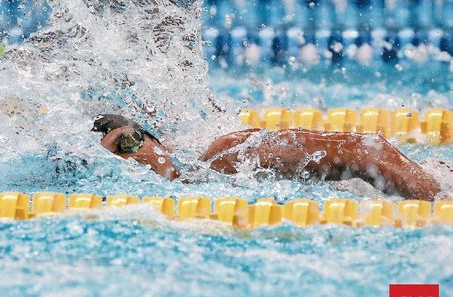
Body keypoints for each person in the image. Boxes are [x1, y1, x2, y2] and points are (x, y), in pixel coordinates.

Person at [92, 114, 443, 201]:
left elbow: (365, 150)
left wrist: (441, 201)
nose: (132, 159)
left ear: (157, 140)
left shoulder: (224, 157)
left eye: (130, 142)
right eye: (117, 158)